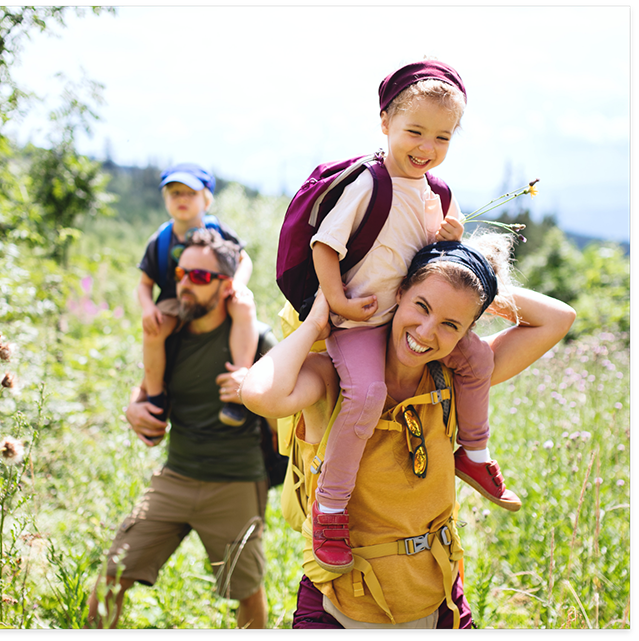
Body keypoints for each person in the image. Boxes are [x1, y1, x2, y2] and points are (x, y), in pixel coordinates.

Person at [241, 234, 576, 628]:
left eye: (451, 324)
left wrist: (473, 278)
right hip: (338, 606)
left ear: (466, 331)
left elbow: (559, 318)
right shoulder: (334, 378)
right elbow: (260, 394)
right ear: (397, 292)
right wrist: (316, 321)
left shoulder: (456, 379)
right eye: (422, 305)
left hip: (439, 603)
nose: (427, 332)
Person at [306, 60, 518, 574]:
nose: (427, 147)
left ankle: (474, 450)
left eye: (442, 137)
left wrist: (447, 237)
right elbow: (325, 245)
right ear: (385, 123)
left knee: (474, 361)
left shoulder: (434, 193)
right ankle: (330, 508)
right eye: (415, 132)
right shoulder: (368, 182)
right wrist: (335, 302)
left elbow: (430, 264)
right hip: (360, 321)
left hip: (406, 314)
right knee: (367, 393)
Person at [88, 229, 275, 629]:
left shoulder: (257, 340)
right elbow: (144, 392)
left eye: (200, 277)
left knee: (246, 590)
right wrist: (132, 410)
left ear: (227, 286)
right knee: (111, 576)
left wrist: (255, 393)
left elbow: (289, 410)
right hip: (175, 476)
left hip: (236, 481)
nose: (185, 284)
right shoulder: (170, 334)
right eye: (181, 273)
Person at [137, 162, 258, 429]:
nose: (182, 199)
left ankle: (237, 385)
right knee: (153, 331)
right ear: (165, 199)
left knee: (244, 306)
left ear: (206, 199)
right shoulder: (160, 240)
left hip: (215, 293)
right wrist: (148, 308)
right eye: (174, 193)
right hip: (174, 299)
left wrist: (237, 284)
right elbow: (144, 283)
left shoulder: (219, 230)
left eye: (190, 193)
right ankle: (156, 398)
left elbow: (243, 259)